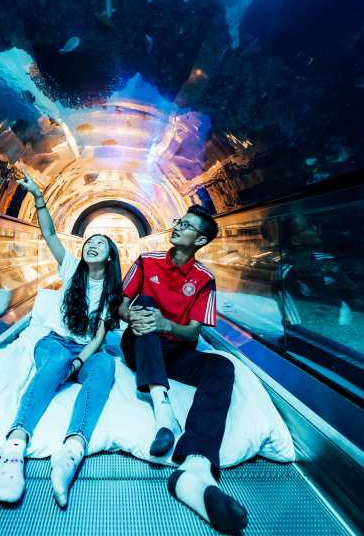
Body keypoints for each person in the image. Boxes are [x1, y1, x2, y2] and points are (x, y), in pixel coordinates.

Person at [0, 170, 121, 507]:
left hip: (87, 350)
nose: (92, 246)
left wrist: (81, 361)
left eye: (100, 244)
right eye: (89, 242)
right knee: (60, 360)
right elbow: (48, 233)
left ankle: (71, 450)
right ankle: (15, 447)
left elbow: (100, 337)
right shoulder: (71, 268)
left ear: (110, 256)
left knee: (106, 366)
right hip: (55, 343)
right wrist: (38, 197)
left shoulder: (113, 291)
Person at [118, 205, 248, 534]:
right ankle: (164, 414)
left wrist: (166, 324)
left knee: (221, 365)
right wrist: (132, 316)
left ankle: (195, 467)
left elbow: (192, 333)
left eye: (186, 225)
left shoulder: (204, 279)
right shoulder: (147, 261)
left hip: (176, 352)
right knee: (144, 304)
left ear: (200, 240)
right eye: (179, 221)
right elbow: (121, 303)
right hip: (138, 345)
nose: (177, 226)